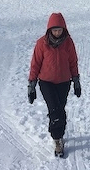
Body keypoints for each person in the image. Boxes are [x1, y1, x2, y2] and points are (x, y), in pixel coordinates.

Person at [28, 12, 81, 156]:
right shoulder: (42, 43)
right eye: (54, 30)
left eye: (59, 30)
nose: (57, 32)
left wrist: (76, 81)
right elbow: (35, 64)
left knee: (60, 109)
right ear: (49, 30)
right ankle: (57, 140)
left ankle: (58, 133)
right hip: (46, 82)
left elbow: (73, 62)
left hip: (64, 82)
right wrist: (31, 85)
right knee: (55, 111)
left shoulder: (68, 43)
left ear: (64, 29)